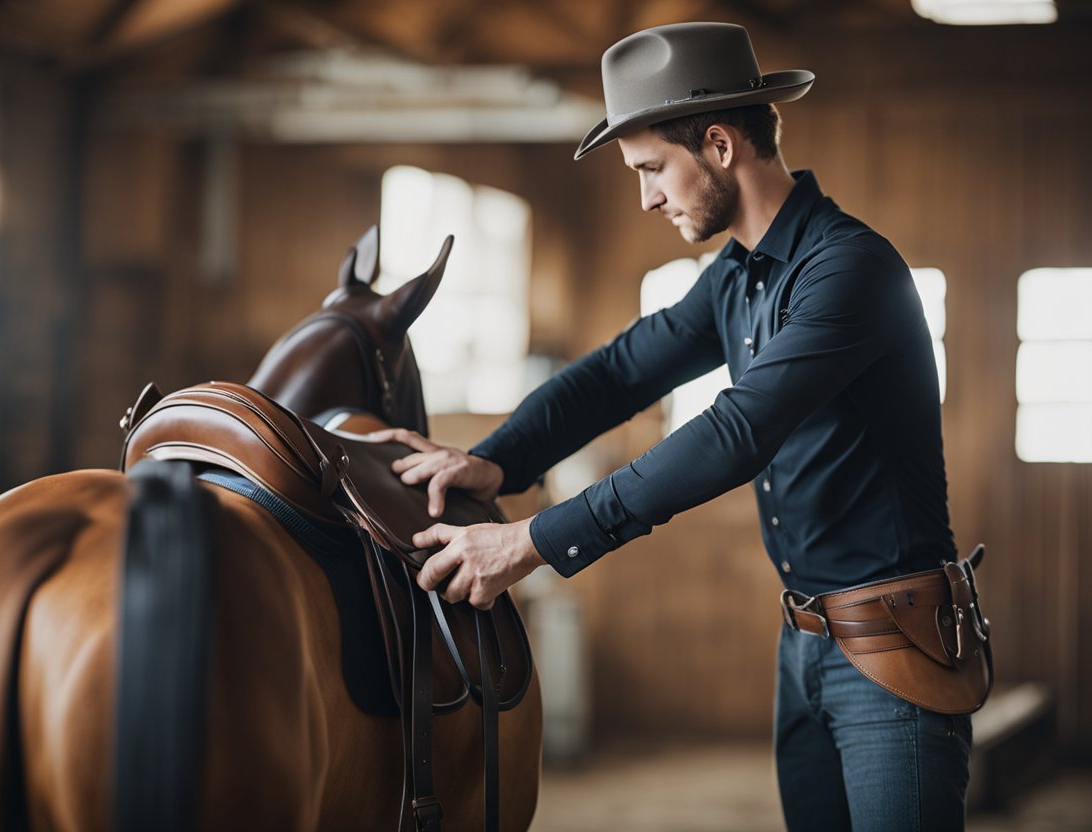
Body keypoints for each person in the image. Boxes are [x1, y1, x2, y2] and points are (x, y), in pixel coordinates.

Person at [372, 21, 972, 831]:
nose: (647, 196)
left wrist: (531, 542)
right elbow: (621, 371)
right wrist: (494, 461)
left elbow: (737, 433)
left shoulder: (849, 269)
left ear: (719, 145)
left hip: (897, 647)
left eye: (653, 168)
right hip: (803, 642)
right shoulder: (737, 275)